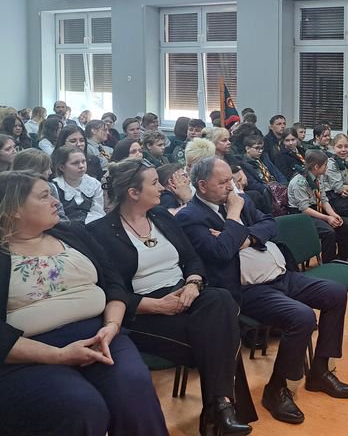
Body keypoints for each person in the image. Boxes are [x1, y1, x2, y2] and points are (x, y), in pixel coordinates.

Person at [177, 157, 348, 425]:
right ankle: (277, 389)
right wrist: (234, 216)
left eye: (231, 181)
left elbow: (271, 224)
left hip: (280, 276)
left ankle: (320, 371)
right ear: (202, 185)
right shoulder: (190, 217)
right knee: (302, 317)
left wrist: (244, 238)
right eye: (223, 182)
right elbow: (221, 251)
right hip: (247, 290)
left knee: (334, 293)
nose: (230, 187)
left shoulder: (239, 200)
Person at [88, 160, 252, 435]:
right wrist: (155, 306)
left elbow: (192, 259)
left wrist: (193, 283)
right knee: (221, 337)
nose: (163, 188)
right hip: (144, 310)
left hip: (185, 296)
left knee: (221, 299)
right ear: (133, 193)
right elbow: (109, 290)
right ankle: (221, 409)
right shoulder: (100, 232)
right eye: (154, 183)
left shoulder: (161, 216)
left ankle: (219, 410)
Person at [0, 171, 168, 436]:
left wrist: (112, 326)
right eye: (44, 196)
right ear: (14, 209)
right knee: (81, 407)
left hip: (100, 334)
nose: (56, 201)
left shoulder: (73, 233)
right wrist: (58, 355)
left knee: (133, 387)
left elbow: (114, 285)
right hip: (30, 352)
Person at [287, 150, 348, 262]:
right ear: (316, 167)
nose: (327, 167)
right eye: (325, 165)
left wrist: (333, 215)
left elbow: (323, 199)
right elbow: (304, 208)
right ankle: (329, 262)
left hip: (316, 209)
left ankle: (343, 259)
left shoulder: (319, 176)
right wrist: (327, 218)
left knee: (345, 225)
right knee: (329, 232)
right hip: (301, 216)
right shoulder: (299, 182)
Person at [12, 148, 69, 224]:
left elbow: (62, 217)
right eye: (47, 169)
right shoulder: (12, 189)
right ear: (34, 170)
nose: (50, 172)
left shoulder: (51, 187)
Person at [51, 146, 105, 225]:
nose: (81, 166)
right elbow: (56, 215)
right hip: (64, 228)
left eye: (83, 161)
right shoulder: (55, 187)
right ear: (62, 167)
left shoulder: (94, 184)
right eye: (75, 163)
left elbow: (98, 212)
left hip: (91, 226)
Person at [240, 134, 290, 216]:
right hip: (266, 190)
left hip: (277, 186)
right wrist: (272, 189)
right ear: (247, 149)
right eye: (257, 148)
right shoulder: (244, 164)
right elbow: (253, 184)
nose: (260, 151)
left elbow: (276, 172)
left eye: (262, 148)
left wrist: (284, 184)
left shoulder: (264, 157)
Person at [324, 133, 348, 219]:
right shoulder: (331, 164)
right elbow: (339, 188)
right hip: (334, 199)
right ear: (333, 148)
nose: (343, 150)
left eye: (346, 146)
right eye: (339, 147)